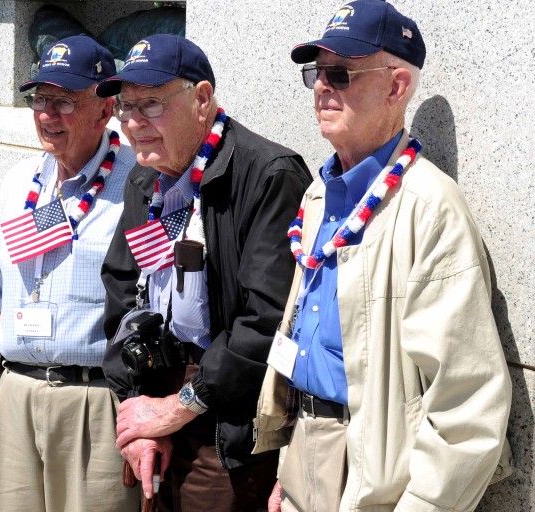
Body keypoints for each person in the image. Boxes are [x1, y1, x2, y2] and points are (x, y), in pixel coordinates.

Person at [253, 1, 513, 511]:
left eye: (340, 72)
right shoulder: (318, 195)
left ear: (397, 86)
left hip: (373, 477)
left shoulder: (429, 209)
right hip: (306, 446)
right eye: (316, 73)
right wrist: (291, 465)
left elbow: (469, 405)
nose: (322, 86)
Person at [96, 34, 312, 512]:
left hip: (227, 421)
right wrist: (138, 412)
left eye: (150, 104)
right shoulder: (143, 179)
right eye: (124, 106)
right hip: (158, 391)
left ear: (202, 99)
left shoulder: (268, 174)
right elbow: (120, 297)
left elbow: (267, 323)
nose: (133, 123)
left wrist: (176, 409)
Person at [0, 34, 139, 511]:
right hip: (16, 395)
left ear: (106, 110)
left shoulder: (140, 184)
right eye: (40, 99)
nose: (46, 114)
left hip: (97, 404)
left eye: (64, 101)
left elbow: (162, 305)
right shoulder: (19, 182)